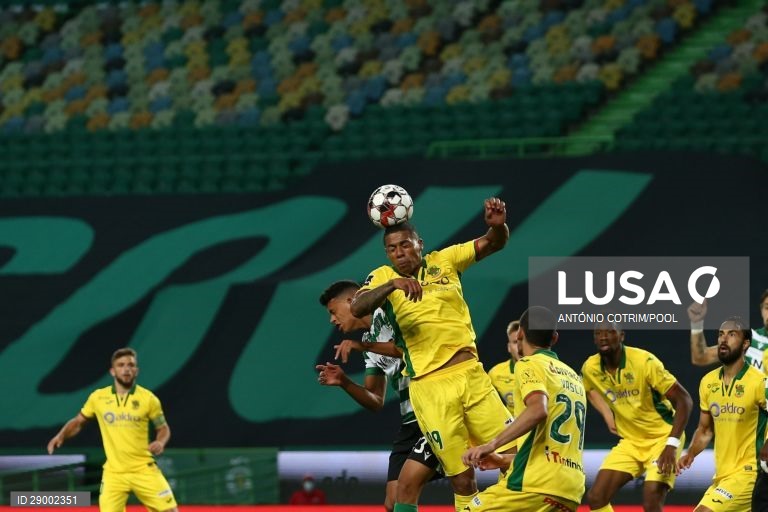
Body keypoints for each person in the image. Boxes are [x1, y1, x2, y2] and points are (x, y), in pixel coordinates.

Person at [351, 198, 514, 512]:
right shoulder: (383, 276)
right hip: (430, 388)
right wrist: (393, 286)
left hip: (471, 377)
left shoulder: (447, 260)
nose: (399, 253)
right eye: (392, 249)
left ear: (419, 244)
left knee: (518, 455)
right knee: (463, 479)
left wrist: (496, 226)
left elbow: (496, 243)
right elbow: (358, 307)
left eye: (405, 245)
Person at [315, 280, 442, 512]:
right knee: (392, 503)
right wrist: (344, 382)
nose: (332, 320)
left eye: (333, 312)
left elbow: (407, 349)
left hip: (433, 412)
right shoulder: (368, 341)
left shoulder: (389, 313)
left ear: (351, 301)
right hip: (410, 423)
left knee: (420, 487)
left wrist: (362, 346)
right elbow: (375, 400)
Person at [460, 306, 586, 512]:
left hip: (534, 484)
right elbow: (550, 449)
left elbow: (538, 410)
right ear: (554, 338)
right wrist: (503, 459)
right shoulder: (573, 376)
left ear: (520, 334)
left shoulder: (528, 364)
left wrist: (490, 445)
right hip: (570, 490)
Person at [47, 348, 178, 512]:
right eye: (121, 365)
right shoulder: (98, 398)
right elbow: (78, 421)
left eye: (131, 365)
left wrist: (160, 441)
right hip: (114, 474)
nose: (126, 369)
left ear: (136, 370)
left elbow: (163, 427)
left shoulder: (149, 399)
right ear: (112, 371)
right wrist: (61, 435)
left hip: (144, 469)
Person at [581, 319, 693, 512]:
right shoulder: (590, 367)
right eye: (598, 333)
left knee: (651, 501)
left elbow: (685, 401)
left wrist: (671, 445)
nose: (603, 337)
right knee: (596, 497)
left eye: (609, 332)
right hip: (631, 442)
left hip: (662, 438)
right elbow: (589, 389)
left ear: (622, 336)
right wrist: (608, 415)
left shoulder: (643, 361)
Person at [677, 317, 767, 512]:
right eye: (721, 334)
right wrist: (690, 453)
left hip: (749, 475)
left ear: (745, 344)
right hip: (721, 477)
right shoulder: (708, 382)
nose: (723, 339)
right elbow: (705, 430)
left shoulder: (760, 383)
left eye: (732, 334)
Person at [688, 290, 768, 372]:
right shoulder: (749, 339)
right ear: (761, 310)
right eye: (767, 307)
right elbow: (700, 357)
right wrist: (696, 324)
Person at [488, 320, 521, 416]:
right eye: (515, 342)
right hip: (515, 429)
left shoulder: (544, 368)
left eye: (523, 340)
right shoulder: (495, 374)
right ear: (509, 347)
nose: (520, 347)